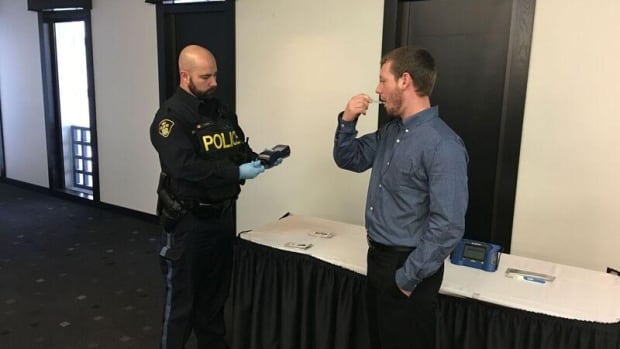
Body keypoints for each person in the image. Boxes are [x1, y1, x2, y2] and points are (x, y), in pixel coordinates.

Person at [333, 46, 468, 348]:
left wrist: (407, 279)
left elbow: (447, 225)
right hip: (378, 260)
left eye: (383, 80)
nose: (378, 90)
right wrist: (347, 120)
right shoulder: (390, 133)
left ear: (405, 80)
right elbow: (349, 158)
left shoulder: (443, 145)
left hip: (408, 269)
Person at [150, 44, 267, 349]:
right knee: (181, 307)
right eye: (206, 77)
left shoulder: (220, 110)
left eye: (215, 75)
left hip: (222, 219)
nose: (214, 82)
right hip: (189, 224)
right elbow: (184, 166)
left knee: (215, 302)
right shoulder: (169, 119)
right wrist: (235, 174)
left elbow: (237, 148)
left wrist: (259, 160)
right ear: (184, 76)